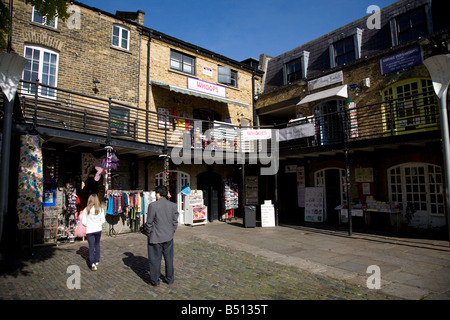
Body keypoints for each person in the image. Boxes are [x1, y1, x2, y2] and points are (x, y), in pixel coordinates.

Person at [145, 185, 179, 286]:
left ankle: (155, 281)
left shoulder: (153, 205)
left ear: (158, 194)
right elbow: (175, 221)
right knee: (169, 259)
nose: (155, 195)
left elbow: (149, 222)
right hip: (168, 236)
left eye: (156, 193)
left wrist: (149, 232)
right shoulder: (173, 205)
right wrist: (171, 231)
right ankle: (170, 279)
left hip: (156, 236)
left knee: (155, 260)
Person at [81, 193, 106, 271]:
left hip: (90, 230)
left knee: (91, 247)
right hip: (98, 229)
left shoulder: (86, 210)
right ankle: (97, 260)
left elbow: (83, 222)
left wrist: (88, 225)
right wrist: (98, 224)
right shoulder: (100, 209)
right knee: (97, 244)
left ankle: (92, 263)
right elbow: (103, 220)